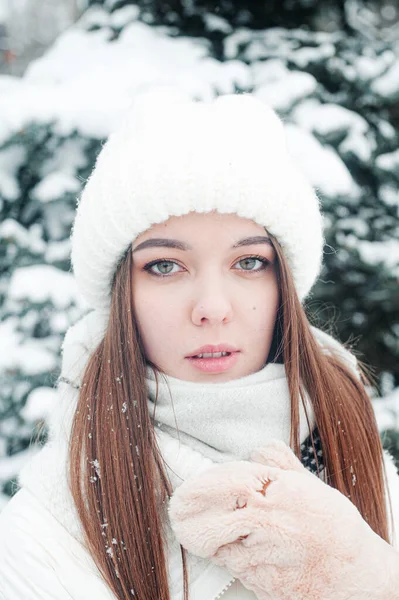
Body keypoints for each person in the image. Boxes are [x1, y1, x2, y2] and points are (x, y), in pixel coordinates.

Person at [0, 92, 398, 600]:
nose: (212, 307)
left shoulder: (352, 446)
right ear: (122, 295)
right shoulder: (50, 529)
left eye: (249, 262)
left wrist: (371, 581)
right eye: (165, 266)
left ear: (284, 286)